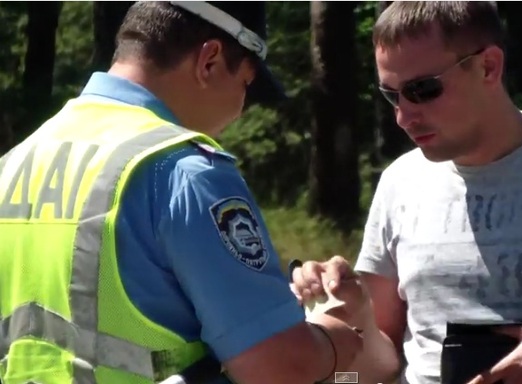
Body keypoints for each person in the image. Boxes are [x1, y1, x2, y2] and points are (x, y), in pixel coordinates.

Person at [0, 2, 363, 384]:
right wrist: (337, 333)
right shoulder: (184, 169)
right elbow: (279, 367)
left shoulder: (14, 163)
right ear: (210, 60)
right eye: (246, 84)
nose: (241, 109)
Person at [291, 2, 522, 384]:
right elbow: (378, 366)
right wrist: (355, 316)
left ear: (488, 66)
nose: (404, 117)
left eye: (423, 90)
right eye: (392, 96)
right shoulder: (400, 182)